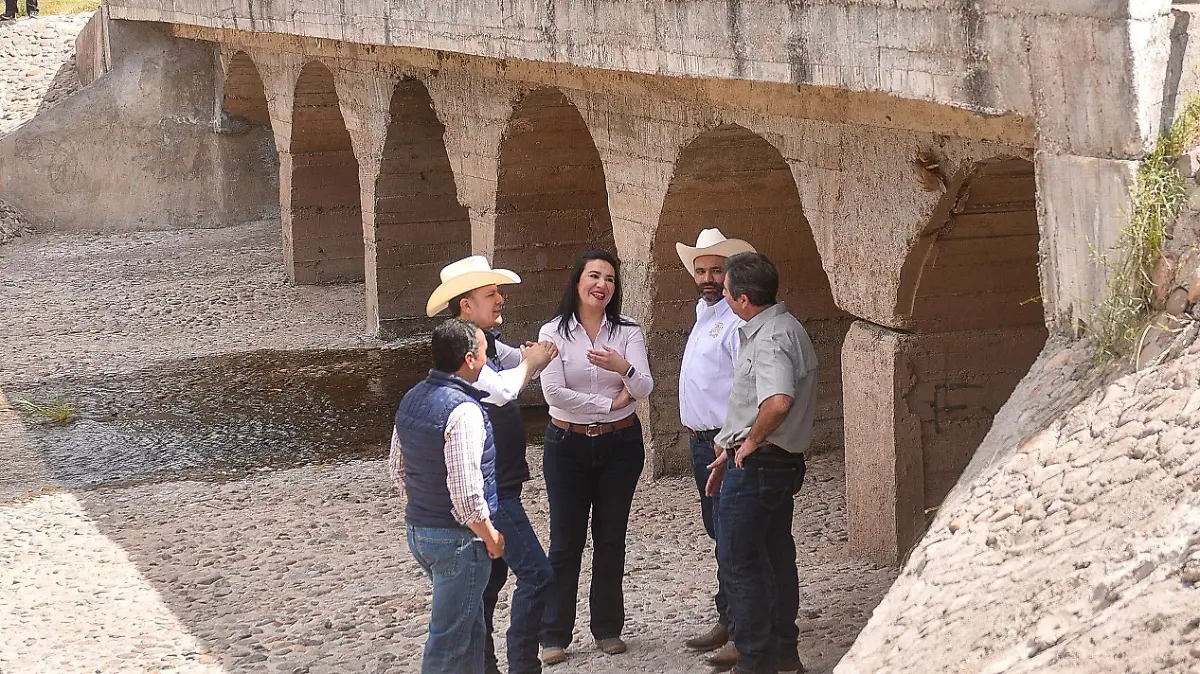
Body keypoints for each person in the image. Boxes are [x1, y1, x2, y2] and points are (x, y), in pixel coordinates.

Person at [425, 255, 558, 674]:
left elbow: (510, 370)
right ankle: (522, 665)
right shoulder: (466, 352)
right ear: (466, 305)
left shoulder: (484, 342)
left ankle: (485, 666)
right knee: (536, 574)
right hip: (492, 488)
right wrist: (533, 363)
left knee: (491, 582)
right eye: (491, 293)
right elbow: (502, 390)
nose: (500, 299)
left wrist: (532, 359)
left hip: (500, 482)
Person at [536, 249, 654, 666]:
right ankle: (554, 634)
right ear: (577, 282)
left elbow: (644, 386)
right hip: (566, 445)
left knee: (610, 538)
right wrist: (609, 402)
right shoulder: (553, 332)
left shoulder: (627, 331)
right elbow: (553, 393)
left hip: (620, 446)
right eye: (594, 276)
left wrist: (622, 366)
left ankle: (607, 628)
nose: (602, 284)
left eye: (609, 278)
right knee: (565, 542)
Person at [706, 252, 815, 674]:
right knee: (774, 557)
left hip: (761, 466)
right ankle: (784, 656)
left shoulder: (770, 338)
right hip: (776, 463)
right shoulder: (786, 328)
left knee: (739, 561)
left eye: (729, 290)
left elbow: (778, 401)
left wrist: (749, 442)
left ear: (744, 298)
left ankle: (758, 661)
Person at [388, 318, 506, 674]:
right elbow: (467, 495)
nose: (488, 359)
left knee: (468, 631)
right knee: (449, 642)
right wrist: (491, 537)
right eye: (485, 352)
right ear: (470, 359)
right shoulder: (464, 411)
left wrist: (426, 505)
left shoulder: (412, 398)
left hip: (420, 530)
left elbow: (397, 469)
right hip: (459, 540)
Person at [673, 229, 756, 666]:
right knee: (719, 533)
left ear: (730, 274)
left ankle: (744, 630)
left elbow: (748, 385)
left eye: (715, 270)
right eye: (701, 270)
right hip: (702, 442)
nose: (706, 278)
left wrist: (734, 440)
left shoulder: (737, 319)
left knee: (735, 537)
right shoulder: (704, 312)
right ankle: (731, 617)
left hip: (727, 442)